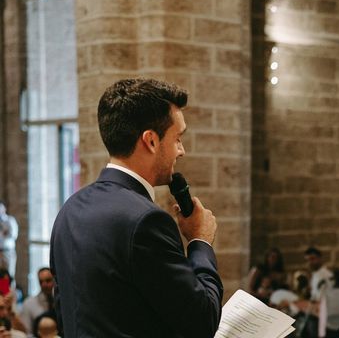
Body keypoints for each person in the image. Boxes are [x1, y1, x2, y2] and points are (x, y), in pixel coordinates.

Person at [49, 78, 224, 337]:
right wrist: (200, 241)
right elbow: (202, 322)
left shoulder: (70, 210)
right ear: (151, 141)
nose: (182, 151)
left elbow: (65, 312)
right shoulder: (147, 221)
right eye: (178, 138)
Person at [19, 267, 54, 337]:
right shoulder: (29, 304)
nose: (44, 284)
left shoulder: (62, 303)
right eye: (41, 282)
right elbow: (27, 333)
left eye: (48, 280)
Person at [0, 206, 18, 281]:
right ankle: (3, 291)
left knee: (9, 275)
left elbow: (13, 235)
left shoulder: (10, 220)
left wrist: (5, 232)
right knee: (1, 275)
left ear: (4, 209)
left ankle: (10, 292)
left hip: (7, 251)